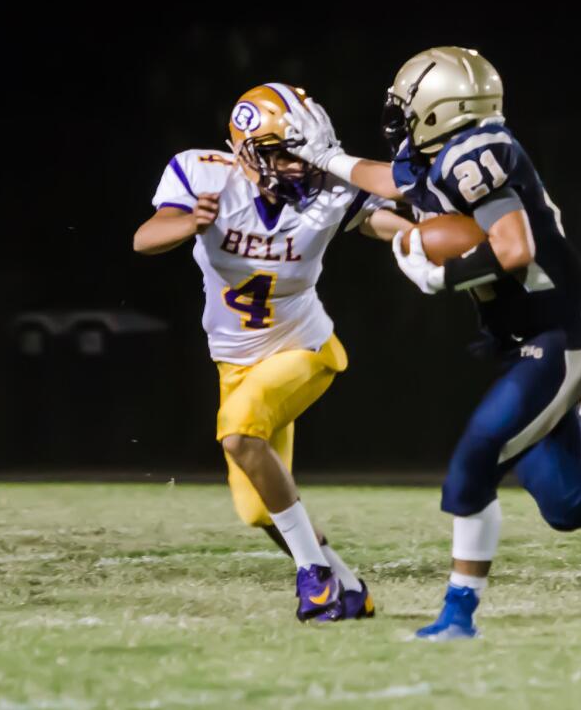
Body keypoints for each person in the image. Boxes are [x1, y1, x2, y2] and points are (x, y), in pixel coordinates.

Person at [281, 48, 581, 639]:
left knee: (474, 461)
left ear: (444, 107)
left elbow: (512, 247)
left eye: (409, 103)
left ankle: (457, 617)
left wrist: (446, 276)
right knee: (567, 505)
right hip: (528, 337)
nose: (400, 115)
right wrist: (330, 159)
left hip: (553, 334)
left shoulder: (478, 154)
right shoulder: (447, 154)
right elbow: (393, 181)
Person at [132, 84, 410, 621]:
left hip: (304, 350)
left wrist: (430, 240)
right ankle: (349, 588)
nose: (300, 164)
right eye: (285, 152)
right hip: (235, 362)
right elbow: (146, 238)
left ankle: (315, 580)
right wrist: (191, 222)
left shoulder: (329, 190)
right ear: (247, 151)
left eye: (306, 150)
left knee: (239, 433)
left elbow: (381, 222)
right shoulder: (205, 175)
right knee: (259, 506)